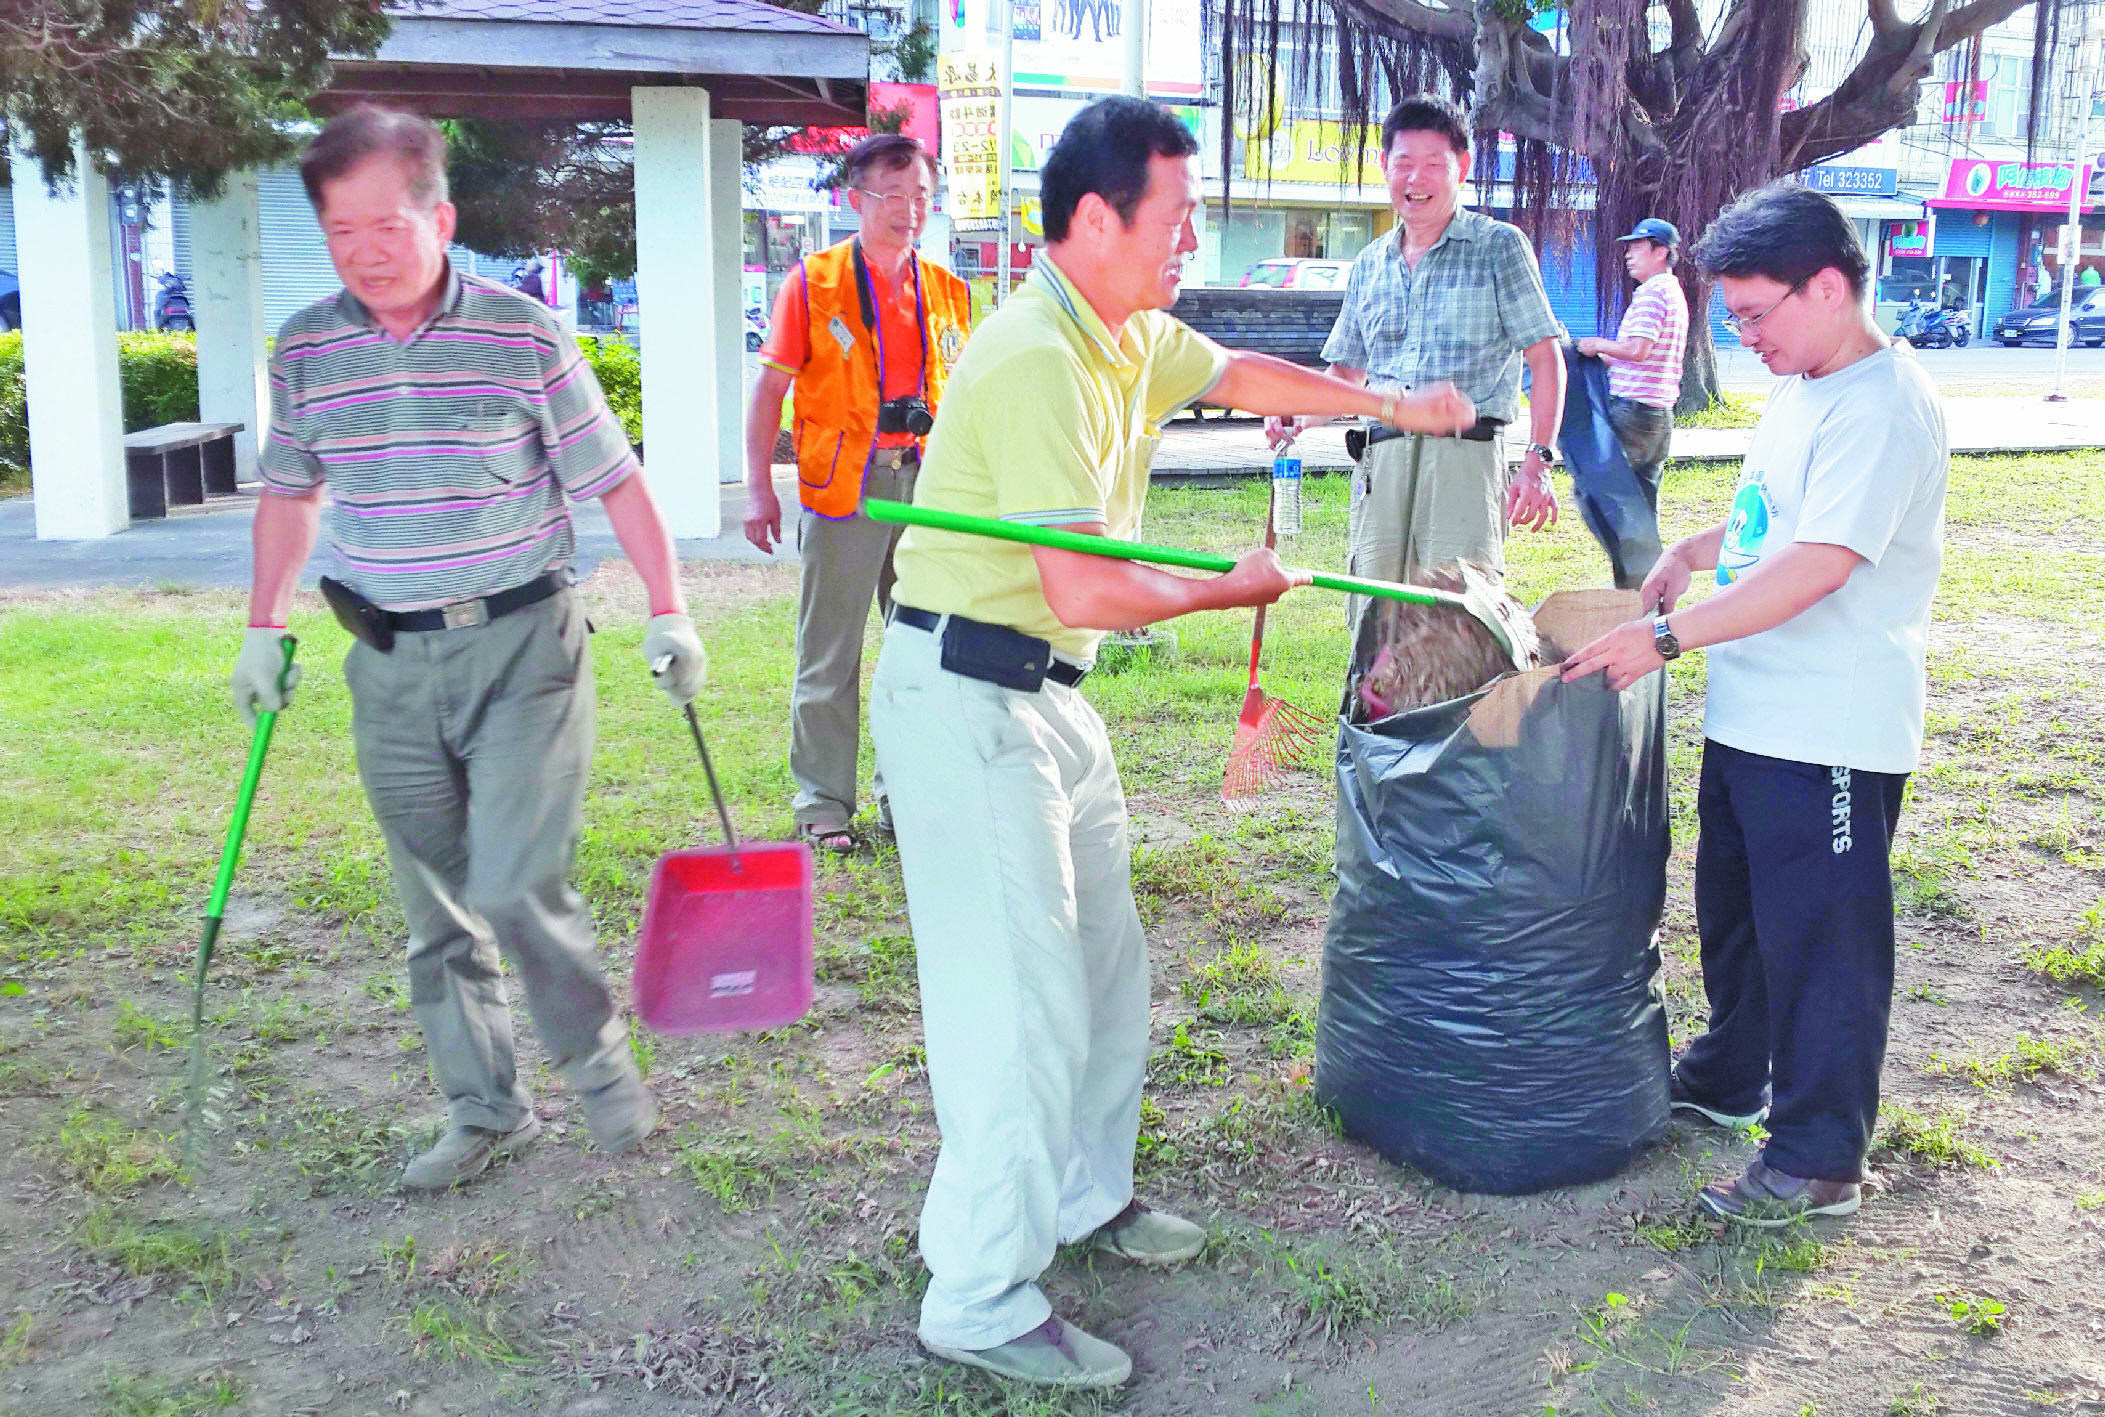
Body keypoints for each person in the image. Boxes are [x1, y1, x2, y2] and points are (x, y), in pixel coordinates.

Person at [872, 96, 1475, 1388]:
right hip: (967, 693)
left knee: (1101, 974)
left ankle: (1083, 1196)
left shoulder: (1125, 332)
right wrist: (1227, 588)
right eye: (1176, 218)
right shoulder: (1038, 354)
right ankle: (977, 1290)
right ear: (1096, 219)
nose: (1188, 241)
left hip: (1046, 697)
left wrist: (1389, 408)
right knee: (1014, 1004)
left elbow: (1241, 376)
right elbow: (1082, 587)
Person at [231, 107, 704, 1191]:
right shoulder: (306, 346)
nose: (366, 251)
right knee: (433, 899)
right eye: (341, 230)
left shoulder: (521, 333)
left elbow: (613, 481)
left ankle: (595, 1070)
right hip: (387, 660)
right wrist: (262, 625)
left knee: (515, 876)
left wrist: (667, 607)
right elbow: (291, 494)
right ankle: (485, 1106)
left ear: (438, 217)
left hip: (523, 645)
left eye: (387, 224)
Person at [1561, 180, 1948, 1227]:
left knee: (1822, 939)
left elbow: (1820, 563)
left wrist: (1660, 639)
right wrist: (1694, 551)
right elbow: (1772, 520)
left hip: (1827, 725)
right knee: (1735, 915)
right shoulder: (1804, 379)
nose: (1744, 338)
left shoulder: (1882, 404)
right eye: (1731, 319)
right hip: (1752, 708)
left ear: (1826, 286)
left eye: (1753, 315)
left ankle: (1819, 1156)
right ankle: (1731, 1073)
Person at [743, 134, 971, 854]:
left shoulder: (946, 289)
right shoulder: (812, 284)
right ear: (855, 199)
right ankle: (822, 805)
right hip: (847, 487)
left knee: (923, 654)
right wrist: (758, 489)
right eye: (892, 195)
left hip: (926, 485)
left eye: (921, 197)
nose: (909, 210)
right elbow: (769, 391)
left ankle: (908, 792)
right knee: (830, 652)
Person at [1266, 93, 1565, 629]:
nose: (1416, 178)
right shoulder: (1369, 263)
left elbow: (1545, 358)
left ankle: (1458, 718)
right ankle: (1369, 718)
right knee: (1374, 619)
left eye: (1434, 164)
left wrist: (1537, 461)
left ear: (1463, 168)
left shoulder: (1499, 247)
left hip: (1464, 462)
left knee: (1457, 621)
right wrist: (1296, 413)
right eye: (1404, 162)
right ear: (1384, 166)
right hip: (1382, 463)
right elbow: (1346, 375)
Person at [1574, 217, 1688, 525]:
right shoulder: (1673, 292)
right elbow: (1631, 355)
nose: (1628, 255)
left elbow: (1638, 351)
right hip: (1658, 414)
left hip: (1633, 411)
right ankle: (1647, 572)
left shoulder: (1652, 293)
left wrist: (1597, 344)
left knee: (1598, 495)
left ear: (1660, 252)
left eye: (1637, 247)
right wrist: (1592, 355)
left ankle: (1629, 569)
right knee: (1643, 506)